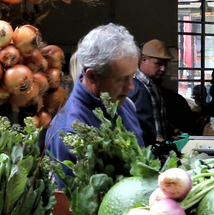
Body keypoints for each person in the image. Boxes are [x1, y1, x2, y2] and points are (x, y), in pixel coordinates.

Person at [46, 24, 145, 165]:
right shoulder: (68, 131)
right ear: (92, 76)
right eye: (122, 79)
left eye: (132, 76)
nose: (131, 86)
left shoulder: (124, 105)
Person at [130, 39, 176, 143]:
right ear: (144, 60)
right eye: (158, 64)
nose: (163, 69)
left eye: (166, 64)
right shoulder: (132, 86)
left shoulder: (154, 85)